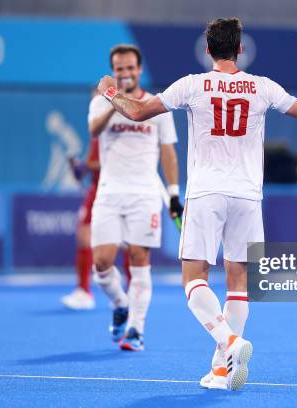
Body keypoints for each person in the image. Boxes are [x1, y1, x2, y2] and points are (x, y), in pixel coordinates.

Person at [96, 18, 297, 389]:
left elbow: (135, 111)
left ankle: (229, 342)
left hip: (207, 193)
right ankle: (220, 369)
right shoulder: (262, 87)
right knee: (238, 281)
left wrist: (110, 93)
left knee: (193, 280)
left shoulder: (192, 85)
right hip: (247, 195)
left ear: (208, 49)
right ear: (241, 49)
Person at [90, 44, 183, 351]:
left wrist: (172, 193)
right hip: (109, 192)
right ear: (114, 71)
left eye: (131, 68)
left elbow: (168, 151)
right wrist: (110, 99)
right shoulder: (100, 100)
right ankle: (119, 302)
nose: (126, 73)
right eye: (120, 69)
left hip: (144, 193)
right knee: (102, 263)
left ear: (139, 70)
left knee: (139, 259)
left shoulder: (157, 106)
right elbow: (94, 130)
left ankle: (136, 329)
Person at [60, 136, 131, 310]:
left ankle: (132, 291)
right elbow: (90, 166)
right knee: (83, 235)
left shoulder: (125, 125)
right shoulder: (97, 131)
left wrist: (86, 166)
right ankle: (83, 292)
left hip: (123, 189)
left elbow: (116, 163)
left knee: (128, 242)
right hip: (97, 190)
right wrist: (78, 168)